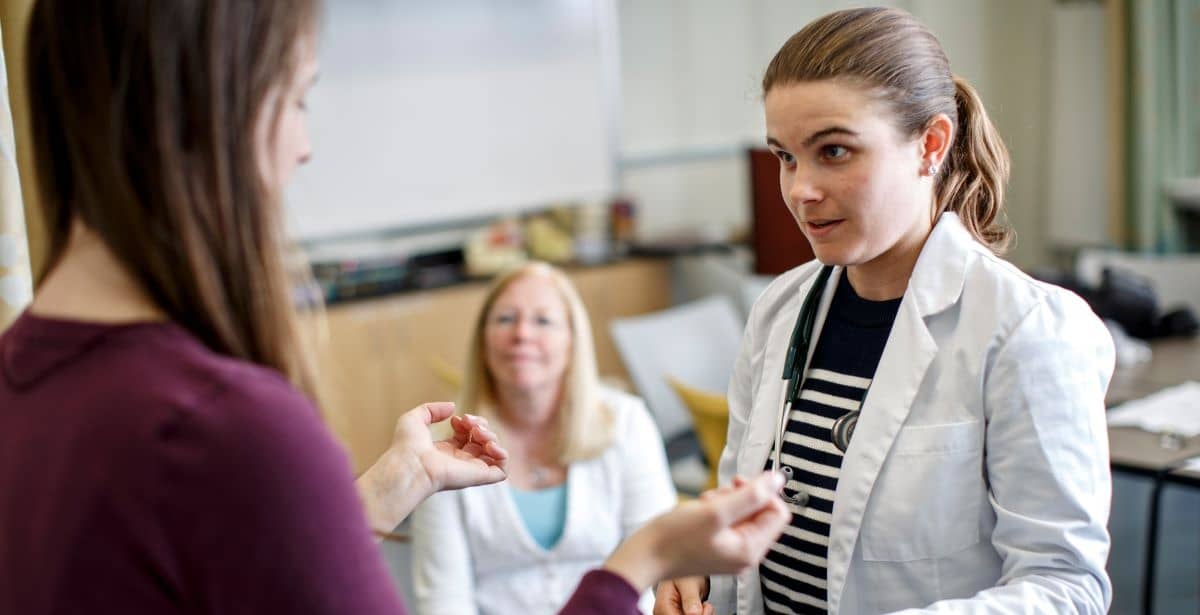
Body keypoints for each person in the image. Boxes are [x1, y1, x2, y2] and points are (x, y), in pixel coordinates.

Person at [0, 1, 793, 614]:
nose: (304, 147)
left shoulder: (26, 384)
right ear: (211, 109)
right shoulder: (229, 429)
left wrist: (379, 491)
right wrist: (639, 562)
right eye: (301, 99)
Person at [655, 7, 1114, 615]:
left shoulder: (1025, 330)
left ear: (930, 144)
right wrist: (701, 567)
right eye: (785, 157)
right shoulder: (781, 309)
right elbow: (738, 513)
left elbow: (1067, 584)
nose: (800, 190)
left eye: (835, 151)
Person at [412, 262, 677, 614]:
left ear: (573, 339)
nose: (522, 333)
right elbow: (444, 600)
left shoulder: (626, 423)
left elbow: (657, 560)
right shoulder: (443, 446)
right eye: (505, 319)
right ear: (482, 340)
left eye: (543, 321)